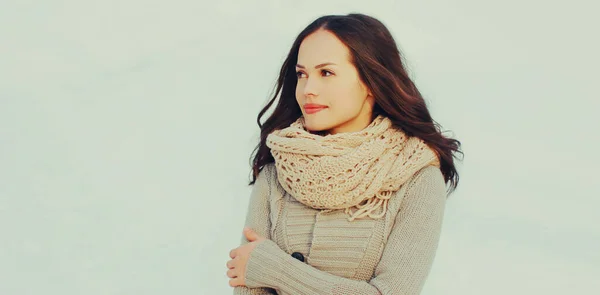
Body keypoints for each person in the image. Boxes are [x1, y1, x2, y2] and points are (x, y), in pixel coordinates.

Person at [225, 13, 463, 295]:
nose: (308, 90)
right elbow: (248, 288)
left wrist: (275, 269)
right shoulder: (278, 170)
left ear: (371, 81)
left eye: (326, 73)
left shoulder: (416, 177)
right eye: (302, 74)